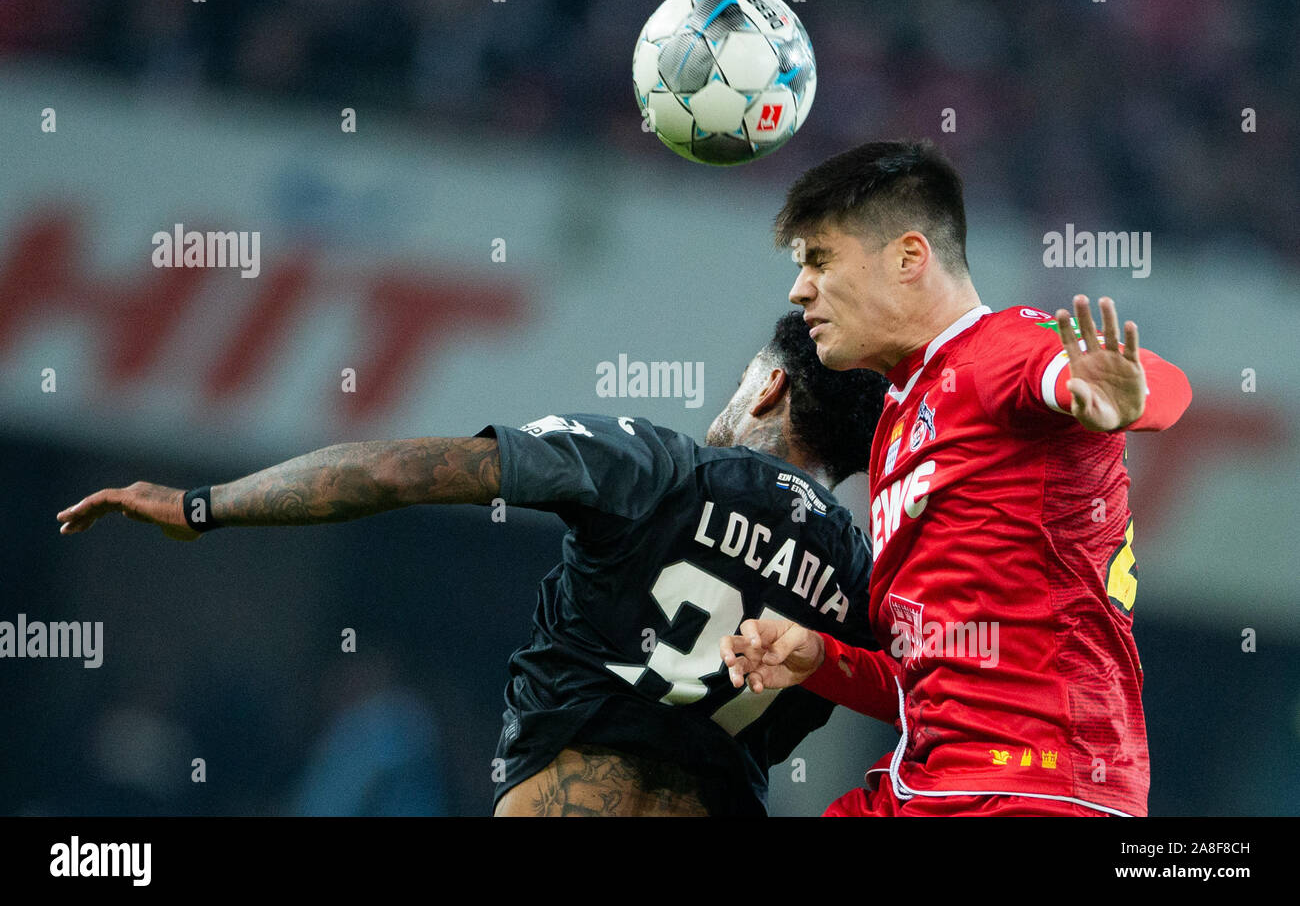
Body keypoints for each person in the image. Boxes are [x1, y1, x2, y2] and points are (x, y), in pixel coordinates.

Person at [57, 312, 889, 817]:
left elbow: (389, 473)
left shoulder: (654, 464)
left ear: (770, 388)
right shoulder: (867, 581)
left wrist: (203, 506)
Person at [722, 140, 1192, 817]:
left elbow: (1153, 385)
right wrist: (819, 660)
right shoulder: (899, 417)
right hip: (936, 781)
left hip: (1033, 788)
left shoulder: (1001, 350)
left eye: (819, 261)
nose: (800, 291)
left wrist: (1125, 400)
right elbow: (943, 677)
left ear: (910, 257)